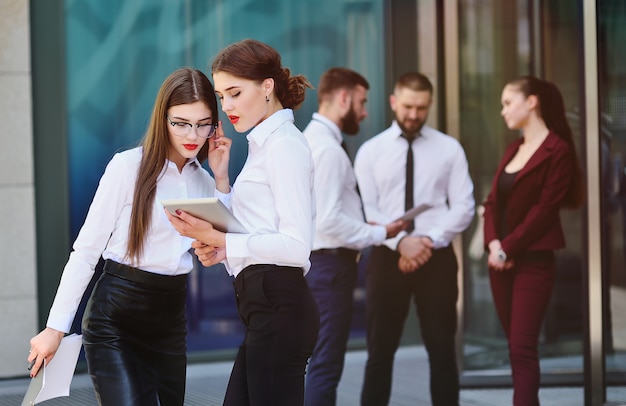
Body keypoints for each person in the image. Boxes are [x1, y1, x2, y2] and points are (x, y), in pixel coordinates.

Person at [27, 67, 232, 406]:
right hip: (115, 320)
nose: (192, 134)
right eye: (180, 122)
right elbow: (85, 251)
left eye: (203, 123)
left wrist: (222, 177)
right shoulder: (127, 168)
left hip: (170, 322)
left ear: (215, 125)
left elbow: (224, 246)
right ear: (162, 118)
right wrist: (55, 328)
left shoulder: (204, 181)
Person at [166, 39, 320, 406]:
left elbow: (297, 246)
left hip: (279, 308)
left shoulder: (284, 146)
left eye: (235, 93)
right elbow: (255, 226)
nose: (228, 107)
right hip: (265, 310)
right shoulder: (263, 145)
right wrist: (221, 180)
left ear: (267, 86)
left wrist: (219, 239)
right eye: (222, 97)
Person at [354, 72, 475, 406]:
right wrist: (400, 242)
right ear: (394, 102)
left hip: (435, 256)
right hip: (386, 255)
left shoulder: (449, 149)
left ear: (430, 105)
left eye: (421, 108)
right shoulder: (371, 151)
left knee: (442, 350)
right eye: (407, 106)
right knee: (380, 351)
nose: (413, 114)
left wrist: (427, 241)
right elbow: (368, 209)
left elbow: (463, 206)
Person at [301, 67, 406, 406]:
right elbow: (329, 221)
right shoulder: (329, 150)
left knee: (319, 362)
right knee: (326, 365)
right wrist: (379, 231)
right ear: (343, 98)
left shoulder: (311, 140)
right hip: (330, 269)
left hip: (319, 266)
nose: (364, 111)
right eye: (361, 102)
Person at [483, 75, 584, 406]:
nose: (503, 111)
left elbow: (544, 212)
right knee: (516, 349)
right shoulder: (514, 148)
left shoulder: (558, 150)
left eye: (507, 102)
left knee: (523, 349)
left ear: (532, 102)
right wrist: (494, 246)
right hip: (501, 262)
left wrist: (507, 248)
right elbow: (492, 204)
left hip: (534, 262)